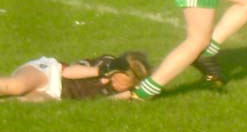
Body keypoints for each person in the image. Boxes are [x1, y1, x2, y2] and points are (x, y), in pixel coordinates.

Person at [0, 51, 151, 102]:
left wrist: (128, 94)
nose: (117, 85)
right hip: (51, 74)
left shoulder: (126, 90)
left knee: (25, 102)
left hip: (56, 95)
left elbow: (103, 104)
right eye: (116, 79)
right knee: (15, 87)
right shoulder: (107, 63)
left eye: (123, 84)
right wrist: (99, 72)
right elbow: (68, 72)